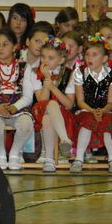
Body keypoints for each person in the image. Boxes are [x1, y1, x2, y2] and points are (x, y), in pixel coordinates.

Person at [0, 28, 35, 171]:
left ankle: (15, 153)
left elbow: (28, 96)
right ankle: (1, 153)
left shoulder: (24, 67)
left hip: (18, 107)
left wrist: (15, 107)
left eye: (5, 44)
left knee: (26, 125)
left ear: (14, 46)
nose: (0, 48)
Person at [69, 33, 112, 174]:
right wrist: (93, 111)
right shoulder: (79, 73)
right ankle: (78, 159)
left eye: (94, 55)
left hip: (105, 110)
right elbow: (80, 101)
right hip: (86, 110)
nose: (89, 58)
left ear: (104, 58)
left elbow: (110, 102)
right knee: (87, 120)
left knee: (107, 122)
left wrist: (102, 111)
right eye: (87, 54)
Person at [31, 36, 75, 173]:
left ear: (60, 60)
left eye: (50, 58)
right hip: (39, 110)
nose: (45, 61)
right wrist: (47, 79)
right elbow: (41, 100)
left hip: (62, 115)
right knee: (50, 105)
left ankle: (49, 158)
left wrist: (53, 87)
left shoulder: (69, 74)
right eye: (43, 57)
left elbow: (69, 104)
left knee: (48, 118)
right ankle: (65, 139)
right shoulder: (35, 73)